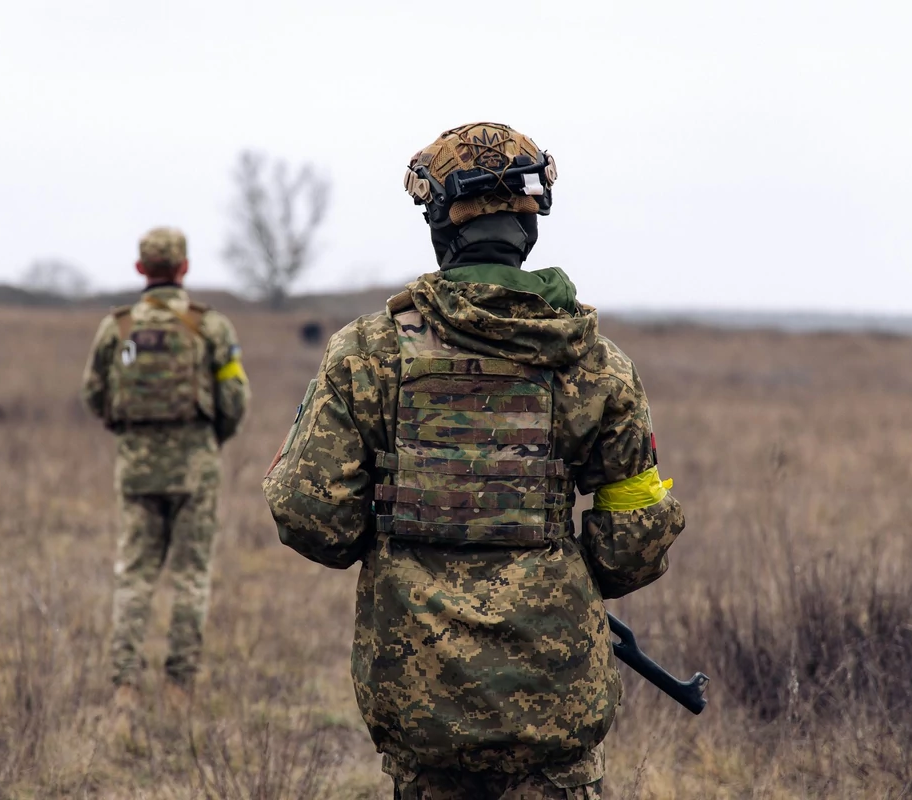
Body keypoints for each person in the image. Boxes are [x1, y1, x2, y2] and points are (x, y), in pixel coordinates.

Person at [263, 123, 685, 799]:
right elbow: (629, 551)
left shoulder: (366, 353)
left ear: (438, 225)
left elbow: (317, 520)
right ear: (531, 226)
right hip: (554, 710)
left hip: (419, 708)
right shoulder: (599, 364)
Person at [81, 226, 249, 714]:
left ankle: (124, 687)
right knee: (191, 578)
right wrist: (210, 438)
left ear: (140, 270)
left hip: (136, 470)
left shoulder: (117, 326)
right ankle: (180, 687)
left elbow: (93, 393)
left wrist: (129, 432)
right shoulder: (210, 326)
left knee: (134, 576)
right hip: (196, 470)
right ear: (184, 268)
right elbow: (235, 398)